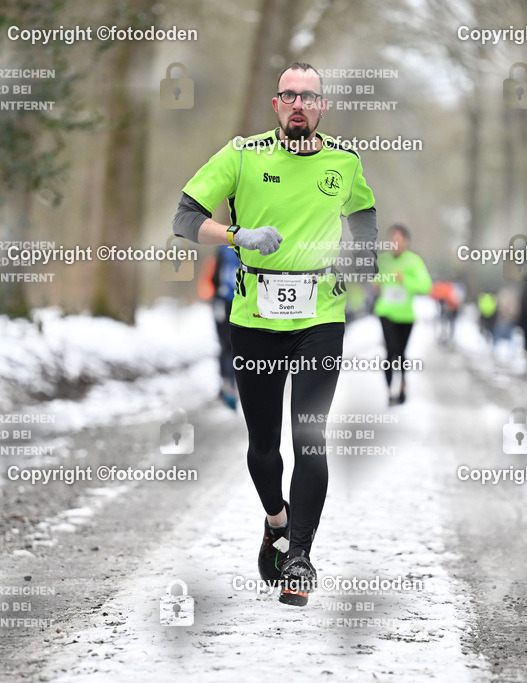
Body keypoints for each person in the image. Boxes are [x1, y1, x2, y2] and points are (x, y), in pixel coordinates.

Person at [172, 63, 377, 606]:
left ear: (322, 106)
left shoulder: (345, 161)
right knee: (264, 447)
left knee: (310, 436)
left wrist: (361, 262)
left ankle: (300, 557)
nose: (299, 105)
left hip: (320, 316)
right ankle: (276, 522)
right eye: (289, 95)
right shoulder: (242, 155)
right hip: (254, 318)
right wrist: (237, 235)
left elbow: (364, 216)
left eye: (309, 97)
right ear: (276, 104)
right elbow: (185, 219)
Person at [373, 225, 431, 405]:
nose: (395, 243)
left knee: (400, 353)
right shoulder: (383, 260)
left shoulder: (414, 261)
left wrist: (404, 279)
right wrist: (377, 283)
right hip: (386, 312)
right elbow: (374, 280)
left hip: (406, 316)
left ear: (406, 241)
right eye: (392, 239)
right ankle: (390, 390)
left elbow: (426, 286)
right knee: (391, 351)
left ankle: (403, 387)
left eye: (398, 239)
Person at [198, 245, 241, 409]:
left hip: (224, 301)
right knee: (239, 344)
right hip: (243, 302)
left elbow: (215, 277)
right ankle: (236, 383)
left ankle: (227, 383)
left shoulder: (223, 248)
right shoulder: (252, 246)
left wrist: (216, 297)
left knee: (225, 345)